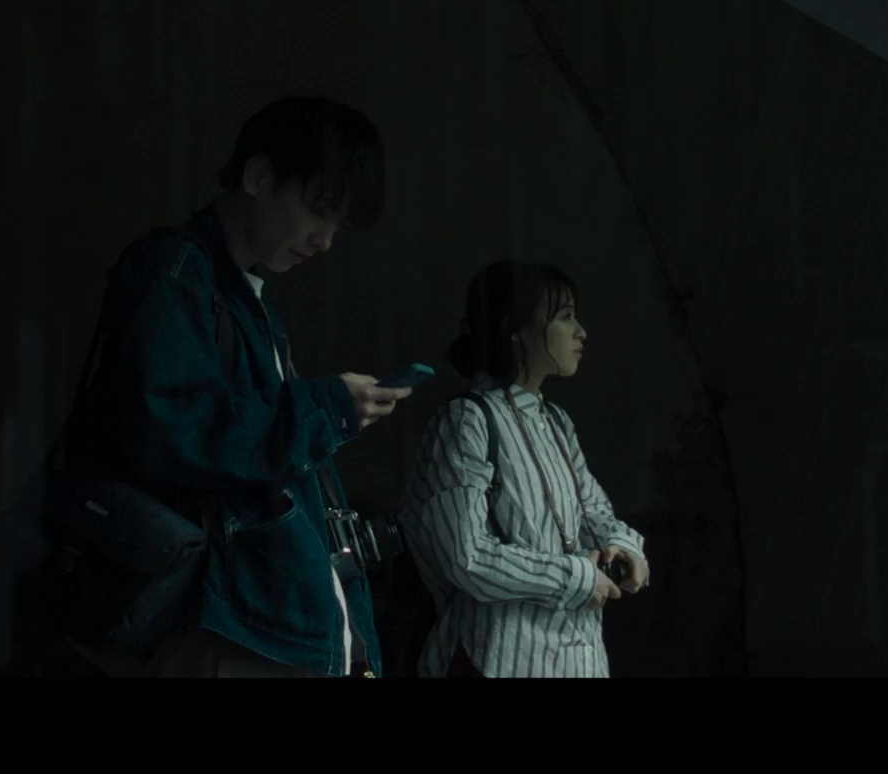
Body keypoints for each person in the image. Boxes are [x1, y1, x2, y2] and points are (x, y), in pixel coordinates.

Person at [41, 94, 411, 678]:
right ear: (258, 176)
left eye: (337, 224)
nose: (324, 240)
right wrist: (325, 409)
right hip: (226, 623)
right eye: (318, 210)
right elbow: (176, 433)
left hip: (261, 624)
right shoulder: (174, 272)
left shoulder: (246, 301)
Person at [399, 260, 650, 677]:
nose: (581, 331)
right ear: (515, 329)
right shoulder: (467, 420)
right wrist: (574, 576)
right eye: (565, 316)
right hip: (498, 659)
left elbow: (593, 512)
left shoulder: (556, 422)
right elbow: (466, 556)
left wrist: (623, 546)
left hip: (578, 661)